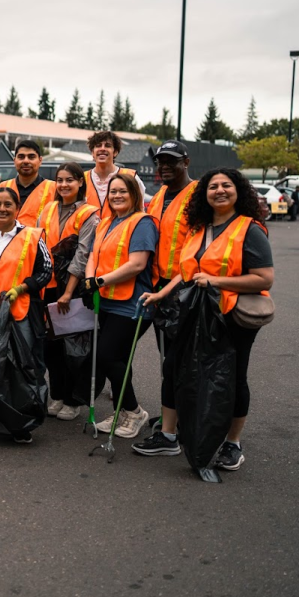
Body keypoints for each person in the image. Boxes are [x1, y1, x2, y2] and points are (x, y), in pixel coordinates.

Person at [136, 169, 273, 469]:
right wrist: (162, 294)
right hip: (195, 312)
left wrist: (217, 282)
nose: (220, 191)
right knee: (173, 367)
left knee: (233, 376)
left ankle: (232, 444)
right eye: (213, 186)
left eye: (227, 185)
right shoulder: (198, 227)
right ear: (205, 193)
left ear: (238, 191)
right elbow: (187, 272)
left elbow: (264, 279)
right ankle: (169, 436)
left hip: (233, 317)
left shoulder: (250, 229)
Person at [0, 187, 53, 441]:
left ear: (17, 208)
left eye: (7, 204)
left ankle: (22, 423)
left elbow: (45, 271)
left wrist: (23, 288)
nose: (2, 209)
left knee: (21, 369)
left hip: (19, 312)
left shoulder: (33, 236)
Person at [82, 172, 158, 439]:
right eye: (112, 191)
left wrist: (98, 281)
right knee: (119, 360)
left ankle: (134, 412)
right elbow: (93, 254)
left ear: (135, 194)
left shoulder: (143, 222)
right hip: (108, 301)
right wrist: (90, 279)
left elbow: (137, 264)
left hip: (132, 304)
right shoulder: (106, 222)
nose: (116, 195)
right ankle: (122, 410)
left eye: (122, 191)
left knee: (107, 356)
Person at [134, 140, 196, 439]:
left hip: (186, 288)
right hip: (159, 287)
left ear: (186, 161)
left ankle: (185, 419)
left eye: (171, 160)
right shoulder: (158, 196)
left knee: (181, 359)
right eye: (160, 161)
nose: (164, 166)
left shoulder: (197, 195)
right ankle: (173, 413)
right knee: (166, 357)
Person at [37, 163, 99, 420]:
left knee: (75, 347)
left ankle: (74, 400)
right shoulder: (49, 208)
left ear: (80, 183)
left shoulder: (89, 213)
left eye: (69, 180)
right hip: (48, 286)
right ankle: (58, 394)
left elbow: (83, 254)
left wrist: (68, 291)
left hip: (71, 289)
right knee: (50, 346)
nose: (63, 185)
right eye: (60, 180)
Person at [83, 130, 146, 214]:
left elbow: (140, 210)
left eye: (107, 146)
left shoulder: (131, 177)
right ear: (92, 152)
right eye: (98, 146)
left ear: (115, 152)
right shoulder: (82, 179)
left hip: (121, 226)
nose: (102, 149)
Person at [0, 140, 57, 227]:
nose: (26, 161)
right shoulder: (3, 187)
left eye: (31, 157)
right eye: (21, 157)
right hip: (7, 239)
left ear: (40, 160)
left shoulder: (54, 189)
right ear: (14, 161)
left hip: (40, 240)